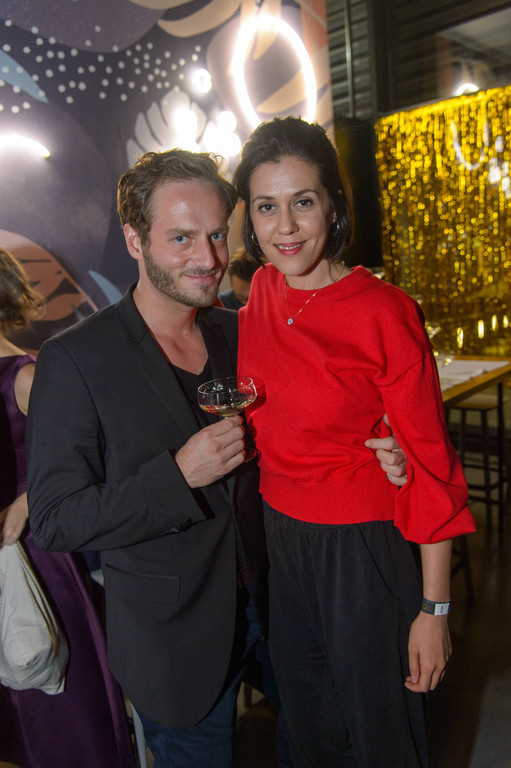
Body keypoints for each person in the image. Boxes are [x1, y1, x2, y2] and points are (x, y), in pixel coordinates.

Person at [26, 148, 406, 768]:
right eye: (181, 238)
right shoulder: (75, 359)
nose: (207, 258)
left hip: (280, 606)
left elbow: (314, 425)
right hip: (175, 639)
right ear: (135, 239)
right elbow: (55, 519)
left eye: (216, 235)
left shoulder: (240, 330)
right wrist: (177, 476)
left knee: (318, 748)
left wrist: (383, 450)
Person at [232, 116, 477, 768]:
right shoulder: (261, 291)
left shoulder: (383, 310)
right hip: (281, 543)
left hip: (360, 551)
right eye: (266, 206)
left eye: (303, 202)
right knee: (307, 731)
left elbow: (428, 462)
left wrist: (433, 608)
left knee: (380, 737)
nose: (285, 226)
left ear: (333, 206)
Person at [0, 248, 136, 768]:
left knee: (60, 712)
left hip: (36, 554)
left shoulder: (27, 375)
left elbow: (102, 455)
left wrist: (29, 499)